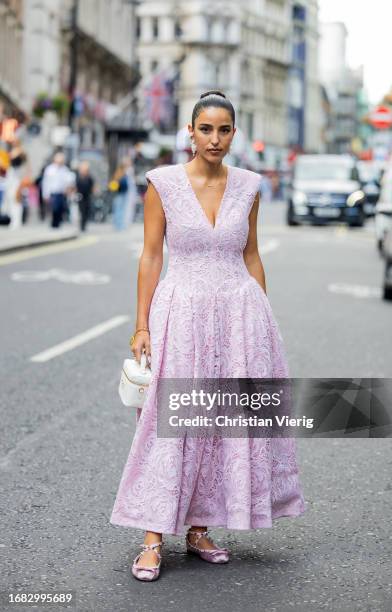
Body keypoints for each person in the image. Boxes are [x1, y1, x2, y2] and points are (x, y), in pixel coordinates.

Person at [110, 90, 306, 581]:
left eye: (223, 130)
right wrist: (140, 325)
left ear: (233, 134)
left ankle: (198, 528)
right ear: (190, 133)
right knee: (169, 421)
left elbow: (251, 254)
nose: (214, 139)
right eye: (205, 129)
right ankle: (153, 536)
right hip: (181, 313)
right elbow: (151, 256)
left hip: (240, 317)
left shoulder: (249, 186)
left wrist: (262, 319)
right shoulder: (164, 184)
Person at [42, 152, 74, 228]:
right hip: (53, 192)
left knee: (60, 209)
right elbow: (46, 182)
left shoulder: (65, 169)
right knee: (54, 208)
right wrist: (45, 194)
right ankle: (54, 223)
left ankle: (57, 224)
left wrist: (68, 189)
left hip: (61, 193)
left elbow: (69, 181)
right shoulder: (50, 169)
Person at [75, 161, 94, 232]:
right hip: (80, 196)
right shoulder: (78, 177)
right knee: (82, 211)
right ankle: (82, 226)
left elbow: (92, 186)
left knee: (86, 211)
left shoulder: (89, 177)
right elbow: (74, 186)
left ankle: (84, 225)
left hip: (87, 196)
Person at [110, 161, 129, 231]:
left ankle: (119, 225)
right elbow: (118, 184)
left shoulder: (122, 174)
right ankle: (118, 225)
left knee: (120, 210)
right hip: (120, 194)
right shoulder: (120, 174)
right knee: (119, 210)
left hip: (122, 194)